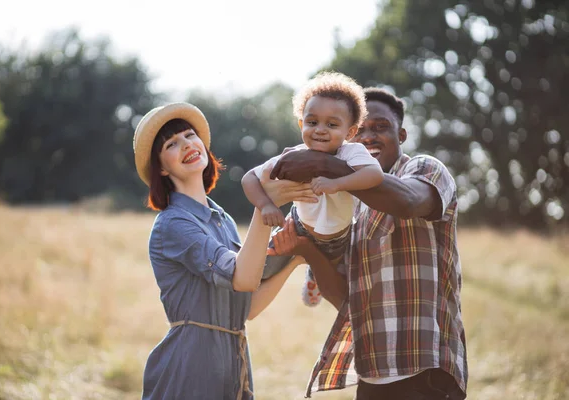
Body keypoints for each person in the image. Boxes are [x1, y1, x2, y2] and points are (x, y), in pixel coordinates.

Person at [265, 88, 468, 399]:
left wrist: (322, 164)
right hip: (372, 373)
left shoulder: (424, 169)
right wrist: (305, 249)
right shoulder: (349, 205)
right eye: (361, 130)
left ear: (401, 135)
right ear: (349, 137)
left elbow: (409, 201)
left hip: (426, 369)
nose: (369, 137)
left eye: (381, 127)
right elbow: (345, 301)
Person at [133, 102, 314, 400]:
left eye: (190, 135)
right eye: (171, 143)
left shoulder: (223, 219)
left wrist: (295, 258)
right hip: (190, 366)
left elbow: (247, 306)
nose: (187, 145)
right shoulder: (172, 224)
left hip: (233, 362)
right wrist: (264, 205)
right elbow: (242, 278)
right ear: (162, 168)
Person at [242, 72, 383, 306]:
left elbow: (375, 175)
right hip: (297, 226)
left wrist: (337, 183)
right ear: (301, 123)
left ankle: (314, 276)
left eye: (332, 124)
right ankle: (237, 296)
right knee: (263, 269)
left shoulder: (351, 153)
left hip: (339, 237)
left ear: (349, 132)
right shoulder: (294, 155)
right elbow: (250, 178)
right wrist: (266, 205)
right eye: (312, 122)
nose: (320, 130)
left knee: (346, 287)